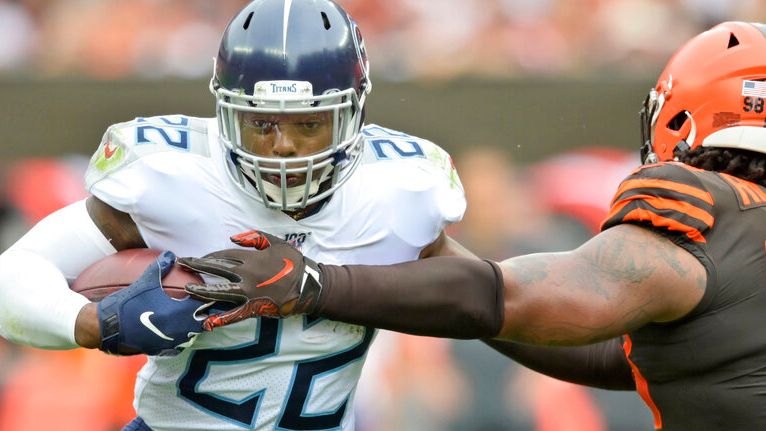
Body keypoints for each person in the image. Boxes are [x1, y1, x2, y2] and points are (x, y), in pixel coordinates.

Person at [179, 21, 766, 430]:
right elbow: (619, 352)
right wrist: (429, 253)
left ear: (682, 118)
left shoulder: (706, 199)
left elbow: (531, 299)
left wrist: (317, 283)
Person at [0, 1, 467, 430]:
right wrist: (97, 323)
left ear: (352, 112)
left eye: (307, 123)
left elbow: (475, 299)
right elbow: (13, 276)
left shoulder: (401, 190)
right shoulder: (168, 176)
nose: (282, 146)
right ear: (225, 110)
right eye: (260, 122)